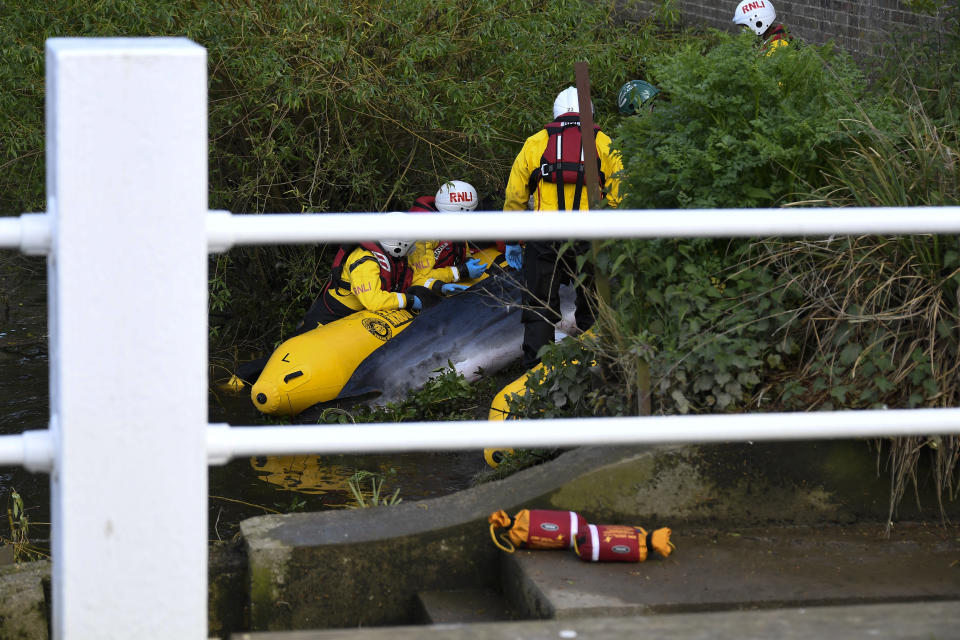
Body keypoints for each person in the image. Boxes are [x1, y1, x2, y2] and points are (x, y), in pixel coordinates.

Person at [502, 86, 623, 369]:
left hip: (544, 235)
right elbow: (620, 196)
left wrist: (511, 239)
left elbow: (515, 196)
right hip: (591, 235)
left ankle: (535, 372)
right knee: (595, 302)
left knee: (539, 306)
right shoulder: (605, 144)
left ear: (556, 114)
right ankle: (598, 361)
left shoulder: (535, 143)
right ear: (590, 113)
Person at [409, 180, 489, 294]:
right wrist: (461, 272)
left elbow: (461, 246)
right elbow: (421, 276)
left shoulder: (452, 220)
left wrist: (468, 259)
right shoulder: (423, 234)